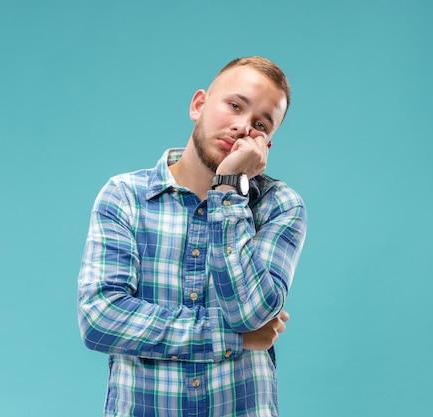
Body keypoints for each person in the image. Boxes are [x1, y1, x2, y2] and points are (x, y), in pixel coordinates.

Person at [77, 56, 307, 417]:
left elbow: (252, 314)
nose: (242, 127)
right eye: (234, 105)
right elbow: (100, 319)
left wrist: (229, 188)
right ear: (198, 105)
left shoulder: (279, 206)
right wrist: (231, 338)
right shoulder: (124, 197)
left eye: (260, 124)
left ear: (266, 147)